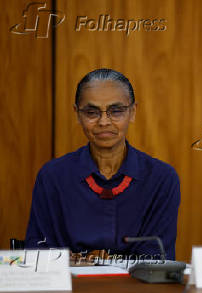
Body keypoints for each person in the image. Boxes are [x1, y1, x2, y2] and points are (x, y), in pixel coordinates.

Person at [25, 69, 180, 260]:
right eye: (92, 112)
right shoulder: (52, 176)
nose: (104, 121)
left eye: (116, 111)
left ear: (132, 112)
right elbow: (38, 253)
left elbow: (156, 258)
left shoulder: (161, 178)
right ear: (77, 114)